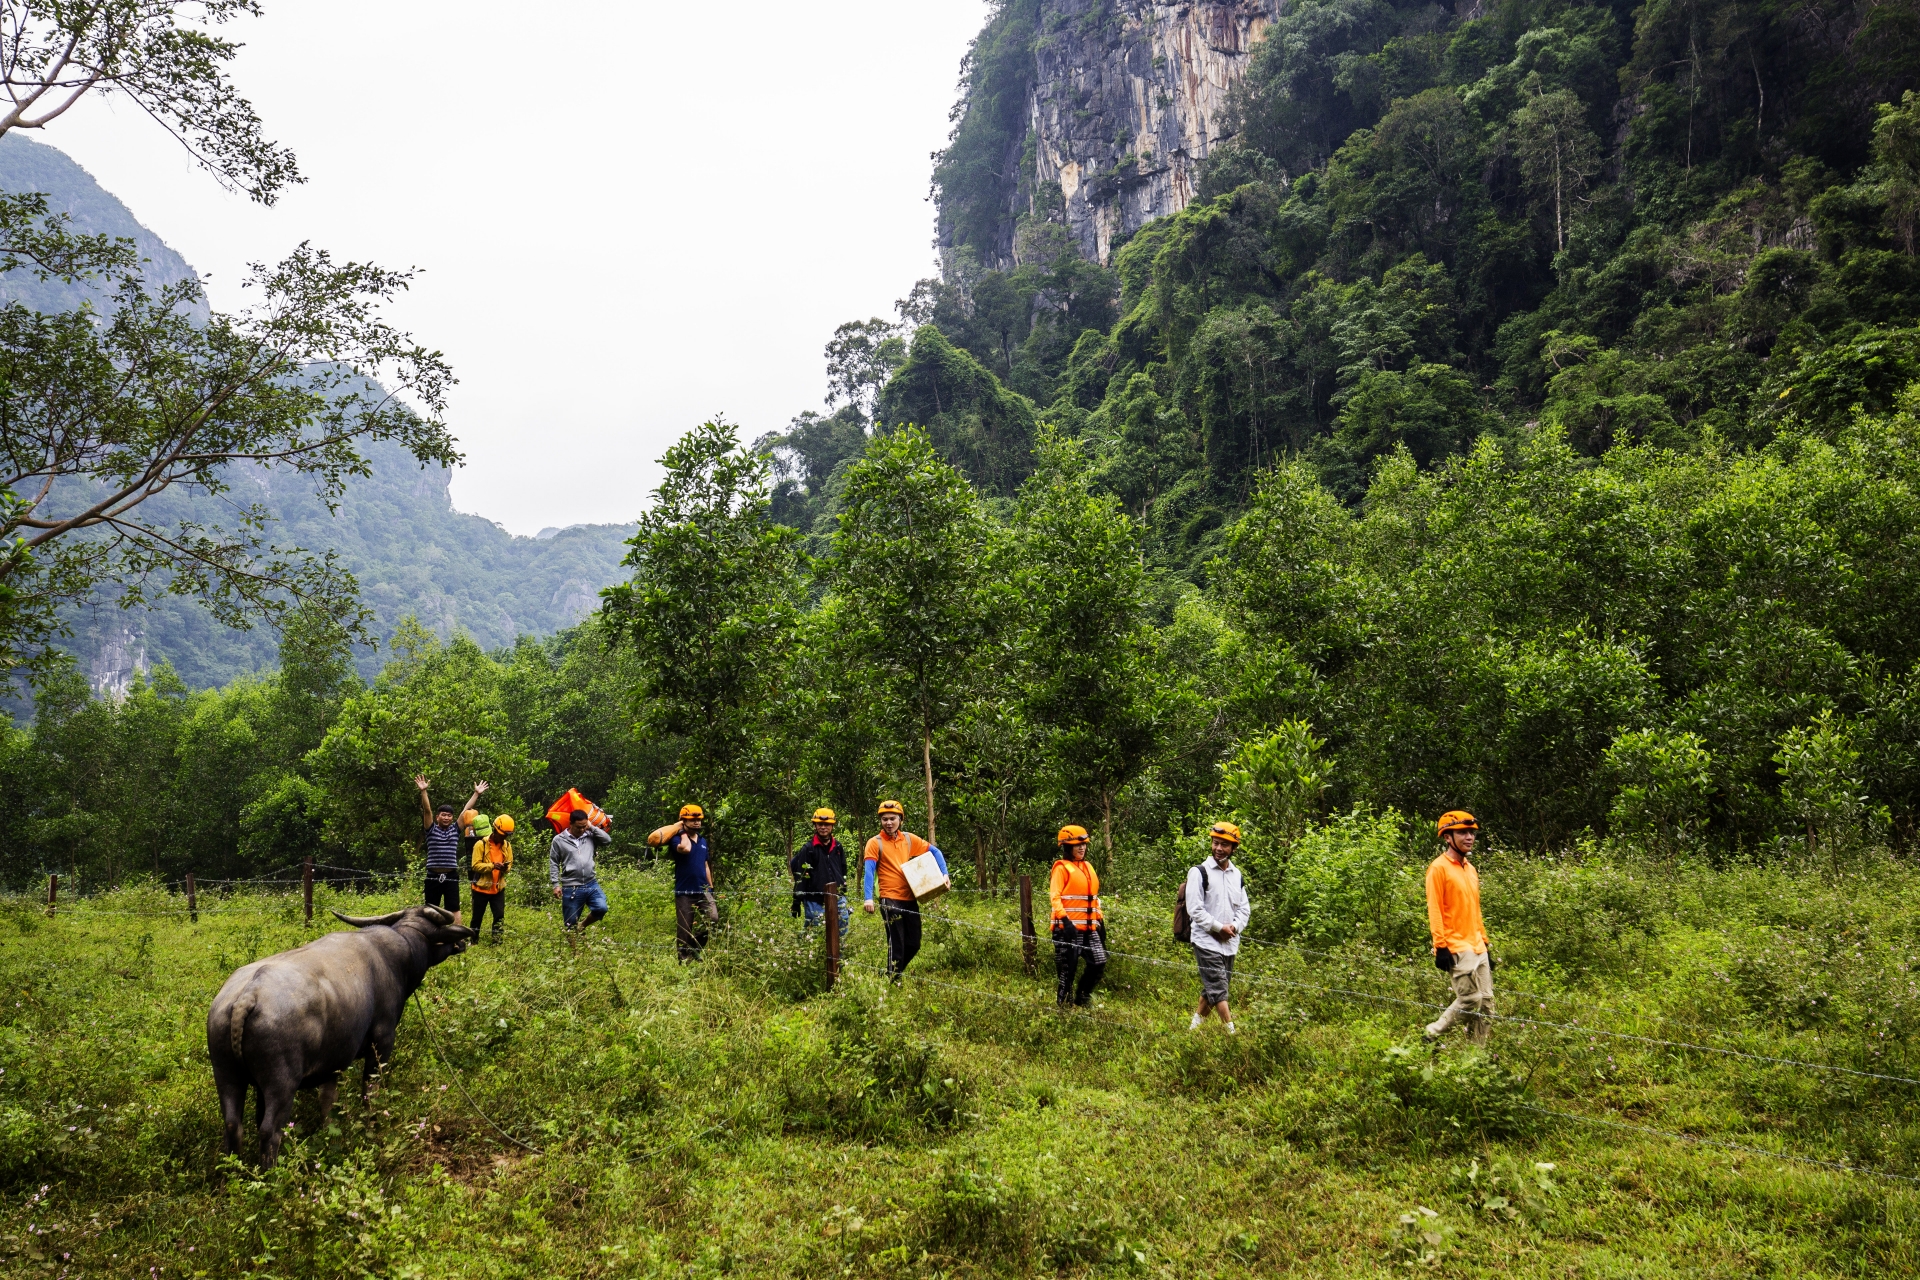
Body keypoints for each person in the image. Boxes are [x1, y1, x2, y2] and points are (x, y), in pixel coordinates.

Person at [1424, 810, 1494, 1045]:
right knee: (1469, 1000)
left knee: (1486, 1003)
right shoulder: (1438, 868)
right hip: (1455, 945)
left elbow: (1475, 909)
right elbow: (1434, 908)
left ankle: (1477, 1057)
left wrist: (1485, 943)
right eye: (1462, 832)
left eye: (1471, 833)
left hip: (1477, 944)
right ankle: (1432, 1034)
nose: (1469, 837)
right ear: (1447, 837)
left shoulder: (1471, 869)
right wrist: (1440, 946)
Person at [862, 800, 947, 980]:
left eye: (893, 818)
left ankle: (891, 973)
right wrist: (868, 898)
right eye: (885, 819)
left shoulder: (908, 839)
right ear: (880, 821)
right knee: (897, 943)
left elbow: (935, 852)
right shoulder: (874, 843)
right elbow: (868, 871)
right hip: (889, 898)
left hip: (910, 897)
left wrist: (944, 874)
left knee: (914, 943)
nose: (889, 823)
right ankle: (893, 981)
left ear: (900, 819)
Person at [1187, 821, 1251, 1033]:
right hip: (1206, 941)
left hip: (1230, 943)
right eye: (1215, 843)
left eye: (1224, 845)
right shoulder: (1199, 872)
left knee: (1213, 989)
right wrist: (1218, 928)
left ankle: (1193, 1030)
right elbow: (1194, 909)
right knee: (1219, 989)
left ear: (1233, 848)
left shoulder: (1237, 875)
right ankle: (1233, 1033)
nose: (1218, 849)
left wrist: (1233, 927)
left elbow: (1244, 910)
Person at [1049, 825, 1107, 1008]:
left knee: (1099, 961)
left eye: (1084, 845)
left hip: (1090, 928)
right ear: (1067, 847)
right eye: (1077, 845)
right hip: (1067, 930)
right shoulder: (1061, 868)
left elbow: (1093, 898)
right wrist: (1065, 922)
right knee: (1067, 971)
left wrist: (1100, 920)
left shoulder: (1088, 867)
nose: (1082, 848)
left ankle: (1082, 997)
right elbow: (1055, 896)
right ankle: (1063, 1007)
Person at [648, 804, 716, 961]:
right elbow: (685, 849)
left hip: (703, 890)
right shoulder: (677, 839)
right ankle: (683, 959)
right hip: (684, 891)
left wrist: (710, 887)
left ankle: (694, 949)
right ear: (683, 821)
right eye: (692, 820)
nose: (697, 823)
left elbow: (706, 865)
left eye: (699, 820)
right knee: (685, 928)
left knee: (713, 919)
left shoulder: (703, 841)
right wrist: (681, 831)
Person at [415, 775, 485, 914]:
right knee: (430, 910)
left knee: (454, 909)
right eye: (443, 815)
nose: (446, 818)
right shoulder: (431, 829)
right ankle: (430, 936)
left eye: (449, 815)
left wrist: (476, 793)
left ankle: (458, 936)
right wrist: (423, 791)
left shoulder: (455, 829)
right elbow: (427, 810)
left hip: (451, 875)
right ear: (438, 817)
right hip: (432, 876)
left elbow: (465, 811)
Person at [549, 806, 613, 932]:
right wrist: (555, 884)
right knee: (570, 924)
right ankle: (575, 951)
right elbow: (554, 863)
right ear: (570, 824)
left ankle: (582, 926)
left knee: (601, 908)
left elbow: (607, 840)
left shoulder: (589, 835)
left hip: (591, 883)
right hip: (571, 887)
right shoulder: (559, 840)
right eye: (579, 827)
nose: (582, 829)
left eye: (584, 826)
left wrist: (592, 827)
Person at [791, 807, 851, 932]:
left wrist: (843, 887)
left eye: (827, 824)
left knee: (842, 929)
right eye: (820, 824)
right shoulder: (808, 849)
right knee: (816, 931)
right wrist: (797, 900)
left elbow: (843, 869)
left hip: (837, 897)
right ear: (815, 825)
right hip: (815, 900)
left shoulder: (838, 847)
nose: (823, 827)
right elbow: (801, 876)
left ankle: (838, 953)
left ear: (832, 826)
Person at [469, 813, 514, 942]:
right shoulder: (480, 845)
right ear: (495, 830)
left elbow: (509, 863)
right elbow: (475, 866)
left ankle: (497, 941)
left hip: (498, 888)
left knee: (499, 916)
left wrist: (505, 868)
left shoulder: (507, 846)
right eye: (503, 834)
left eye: (507, 835)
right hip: (480, 888)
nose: (504, 837)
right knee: (477, 917)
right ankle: (473, 940)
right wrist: (493, 866)